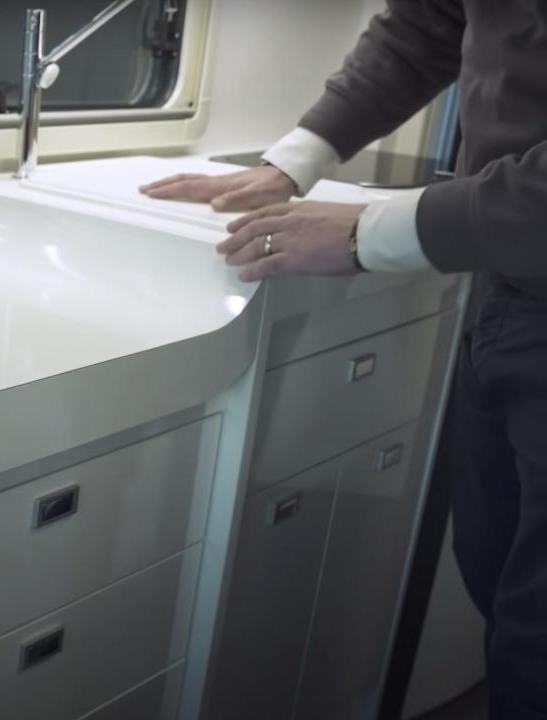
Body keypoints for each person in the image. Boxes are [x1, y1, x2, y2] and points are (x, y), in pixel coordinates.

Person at [140, 2, 547, 718]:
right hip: (507, 283)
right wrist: (291, 162)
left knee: (536, 638)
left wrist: (369, 234)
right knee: (496, 577)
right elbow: (429, 24)